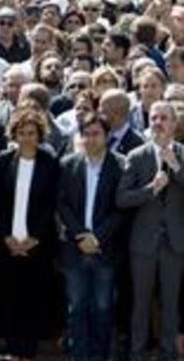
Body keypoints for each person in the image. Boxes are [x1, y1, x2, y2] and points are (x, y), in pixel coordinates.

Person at [117, 100, 184, 361]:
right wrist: (150, 190)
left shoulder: (183, 153)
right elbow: (121, 198)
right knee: (141, 303)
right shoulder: (137, 156)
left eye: (164, 118)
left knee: (170, 304)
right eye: (154, 118)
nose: (157, 123)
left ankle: (168, 354)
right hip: (143, 243)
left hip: (176, 242)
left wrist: (176, 168)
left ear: (174, 124)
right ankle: (137, 353)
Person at [0, 108, 61, 361]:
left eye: (32, 133)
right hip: (8, 243)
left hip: (37, 244)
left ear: (39, 135)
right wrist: (6, 237)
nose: (26, 138)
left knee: (33, 297)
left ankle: (28, 351)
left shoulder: (49, 163)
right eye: (21, 133)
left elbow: (51, 204)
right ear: (14, 134)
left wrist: (35, 238)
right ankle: (12, 349)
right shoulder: (2, 161)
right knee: (10, 296)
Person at [58, 111, 126, 361]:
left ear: (107, 137)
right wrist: (80, 236)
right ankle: (79, 355)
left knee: (103, 307)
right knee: (76, 307)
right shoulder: (68, 164)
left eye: (96, 134)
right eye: (85, 134)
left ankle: (100, 355)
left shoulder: (120, 165)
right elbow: (62, 204)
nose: (90, 139)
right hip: (75, 249)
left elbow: (120, 210)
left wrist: (96, 238)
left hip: (105, 249)